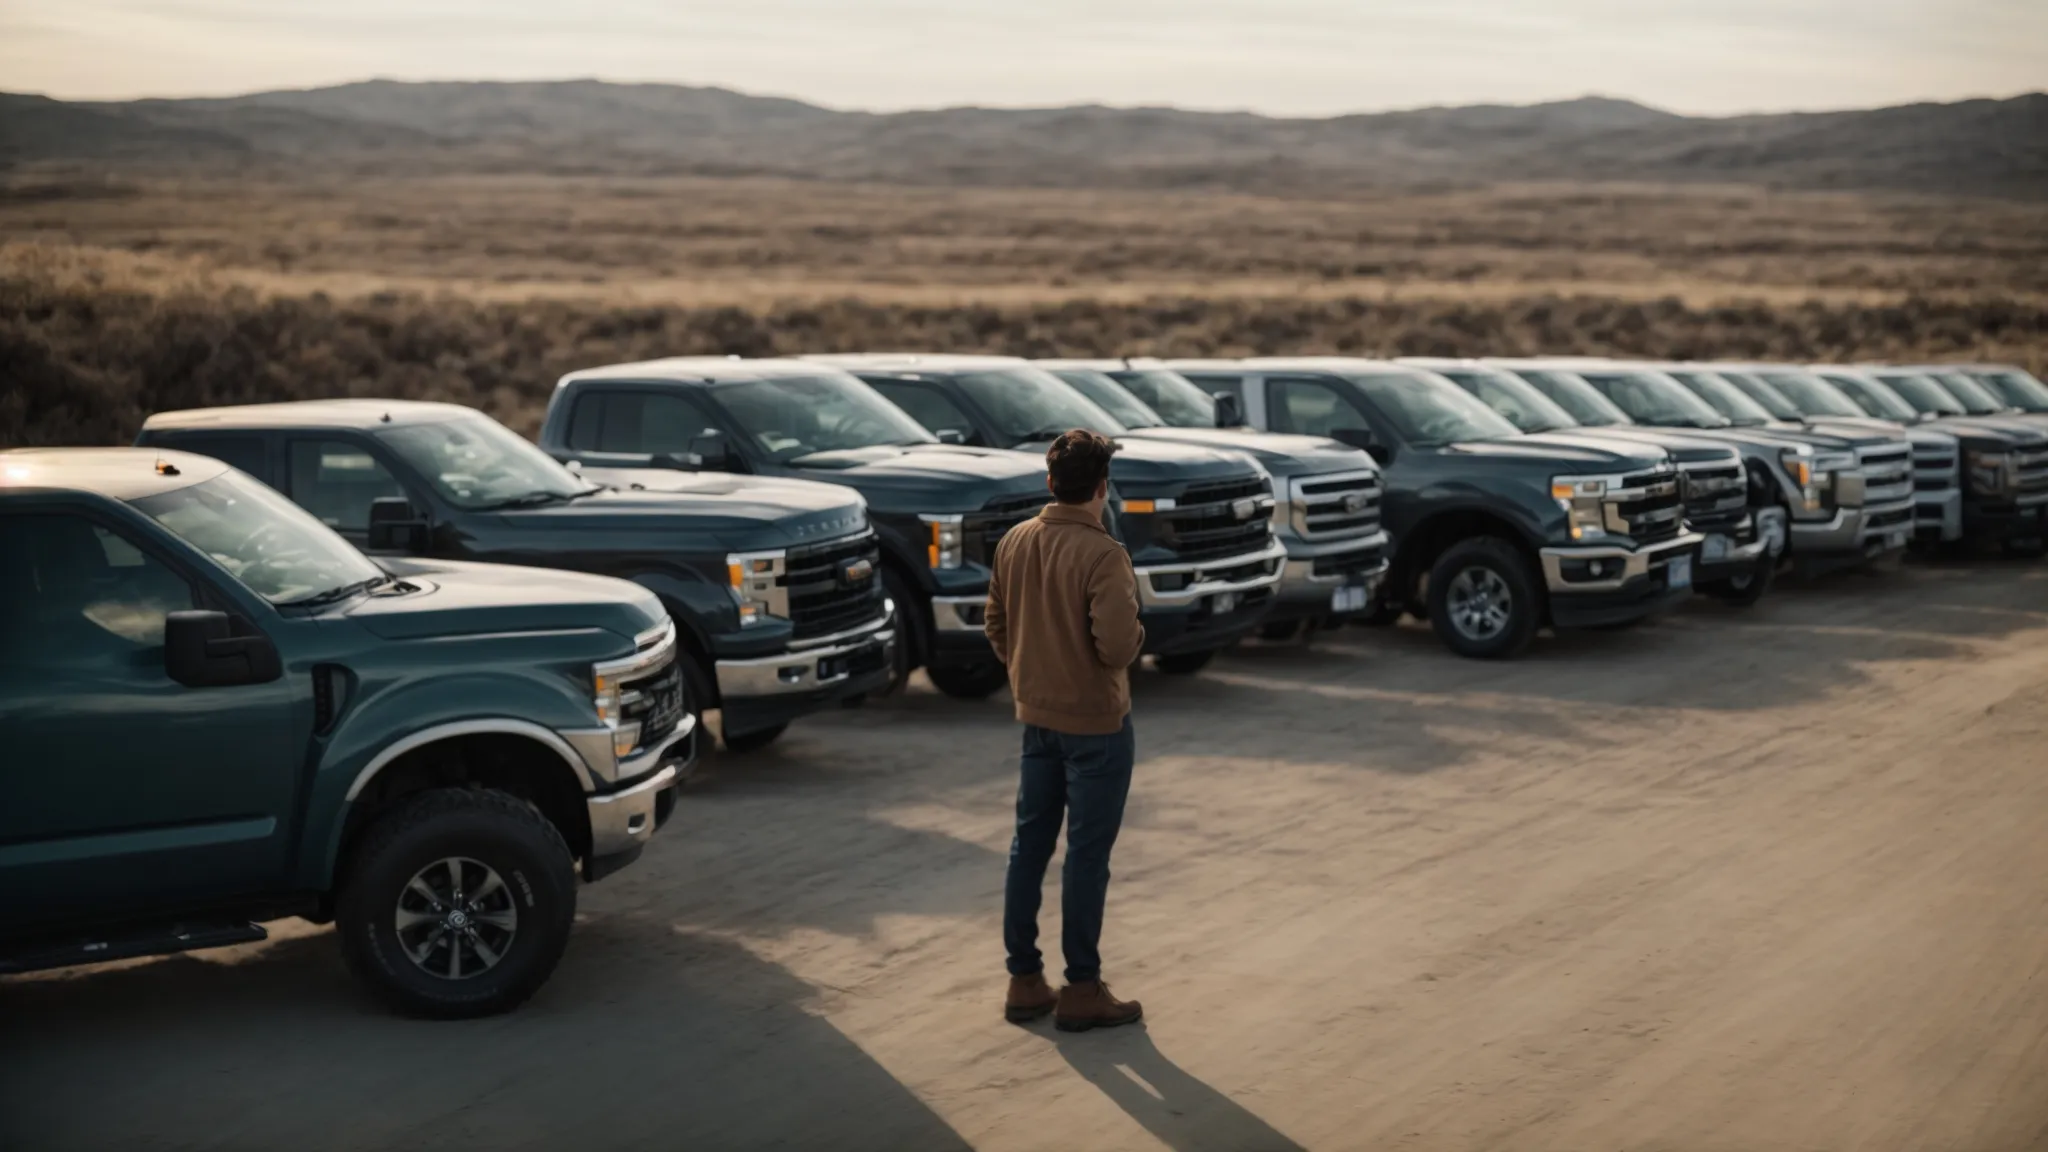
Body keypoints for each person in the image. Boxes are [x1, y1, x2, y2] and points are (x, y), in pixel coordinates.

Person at [984, 428, 1147, 1033]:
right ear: (1102, 487)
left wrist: (1031, 673)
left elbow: (996, 623)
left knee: (1029, 846)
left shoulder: (1015, 540)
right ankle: (1082, 987)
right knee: (1086, 856)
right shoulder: (1104, 555)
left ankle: (1024, 980)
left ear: (1050, 482)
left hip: (1037, 720)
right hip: (1097, 727)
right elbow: (1118, 647)